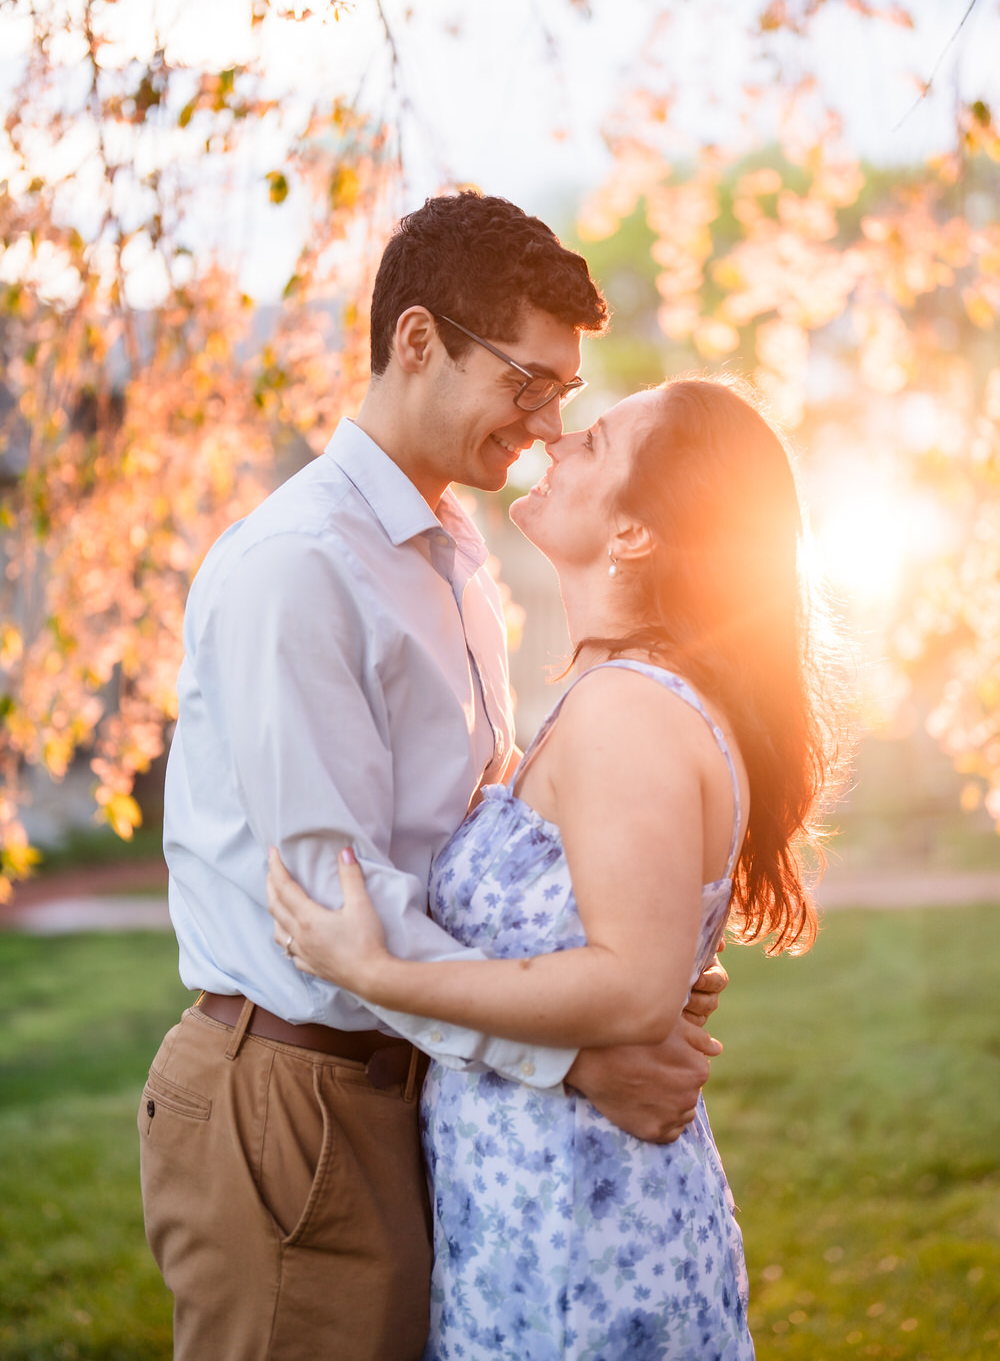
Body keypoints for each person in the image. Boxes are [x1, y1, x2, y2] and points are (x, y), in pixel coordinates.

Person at [138, 191, 730, 1361]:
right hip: (291, 1091)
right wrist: (580, 1050)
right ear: (418, 342)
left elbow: (480, 830)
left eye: (562, 393)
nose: (549, 424)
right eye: (528, 381)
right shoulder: (298, 570)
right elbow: (336, 908)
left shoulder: (451, 557)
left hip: (409, 1076)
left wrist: (617, 955)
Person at [267, 375, 847, 1360]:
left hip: (585, 1244)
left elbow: (630, 986)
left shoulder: (632, 709)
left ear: (635, 535)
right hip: (545, 1217)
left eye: (597, 442)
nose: (558, 440)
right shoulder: (612, 697)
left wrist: (374, 970)